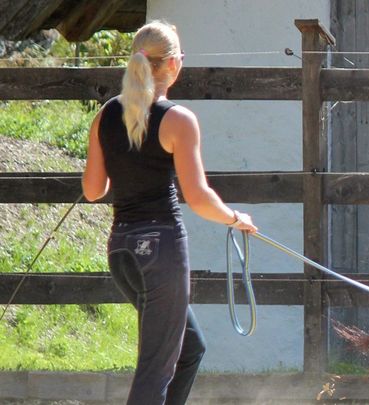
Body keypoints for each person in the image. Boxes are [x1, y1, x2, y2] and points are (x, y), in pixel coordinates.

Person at [82, 21, 257, 405]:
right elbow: (197, 196)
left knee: (189, 348)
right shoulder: (179, 120)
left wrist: (122, 159)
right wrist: (234, 218)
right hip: (160, 252)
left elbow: (94, 190)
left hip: (122, 251)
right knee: (155, 371)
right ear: (174, 64)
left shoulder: (106, 116)